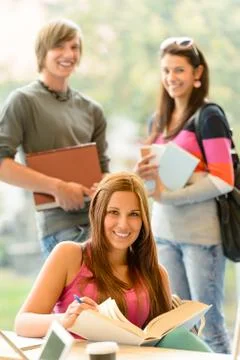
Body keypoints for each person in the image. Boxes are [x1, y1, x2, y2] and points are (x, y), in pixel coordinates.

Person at [14, 171, 211, 352]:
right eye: (113, 212)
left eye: (134, 214)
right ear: (98, 214)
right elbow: (23, 322)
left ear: (143, 221)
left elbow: (160, 336)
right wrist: (65, 319)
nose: (123, 224)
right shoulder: (69, 255)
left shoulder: (156, 273)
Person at [135, 37, 234, 353]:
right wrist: (147, 181)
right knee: (178, 326)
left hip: (200, 239)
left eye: (179, 69)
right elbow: (158, 184)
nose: (171, 77)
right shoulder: (158, 121)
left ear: (197, 73)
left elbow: (224, 180)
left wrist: (168, 195)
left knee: (210, 324)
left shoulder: (209, 117)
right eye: (166, 70)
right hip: (164, 236)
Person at [0, 18, 110, 257]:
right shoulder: (23, 101)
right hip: (61, 229)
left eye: (74, 47)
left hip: (102, 225)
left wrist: (106, 185)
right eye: (59, 46)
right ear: (43, 52)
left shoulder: (92, 109)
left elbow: (104, 170)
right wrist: (57, 188)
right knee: (76, 296)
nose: (68, 53)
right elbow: (2, 165)